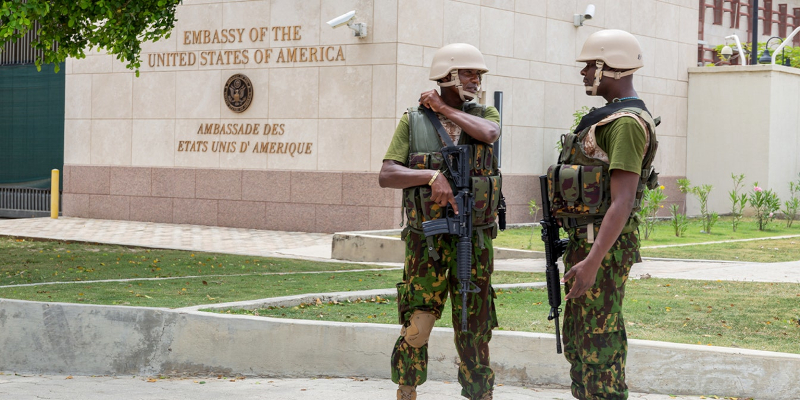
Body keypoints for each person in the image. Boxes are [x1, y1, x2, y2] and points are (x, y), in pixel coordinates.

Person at [378, 42, 502, 400]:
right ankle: (407, 389)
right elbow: (387, 174)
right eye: (469, 73)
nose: (476, 80)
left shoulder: (485, 115)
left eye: (479, 74)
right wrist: (431, 176)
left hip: (475, 239)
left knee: (474, 325)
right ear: (447, 75)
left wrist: (444, 107)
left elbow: (490, 134)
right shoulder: (414, 120)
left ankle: (480, 393)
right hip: (427, 242)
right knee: (418, 324)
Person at [547, 29, 659, 399]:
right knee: (581, 340)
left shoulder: (625, 123)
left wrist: (593, 261)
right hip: (587, 243)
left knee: (599, 343)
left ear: (610, 67)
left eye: (589, 66)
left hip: (602, 249)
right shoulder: (606, 119)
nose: (583, 73)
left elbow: (622, 201)